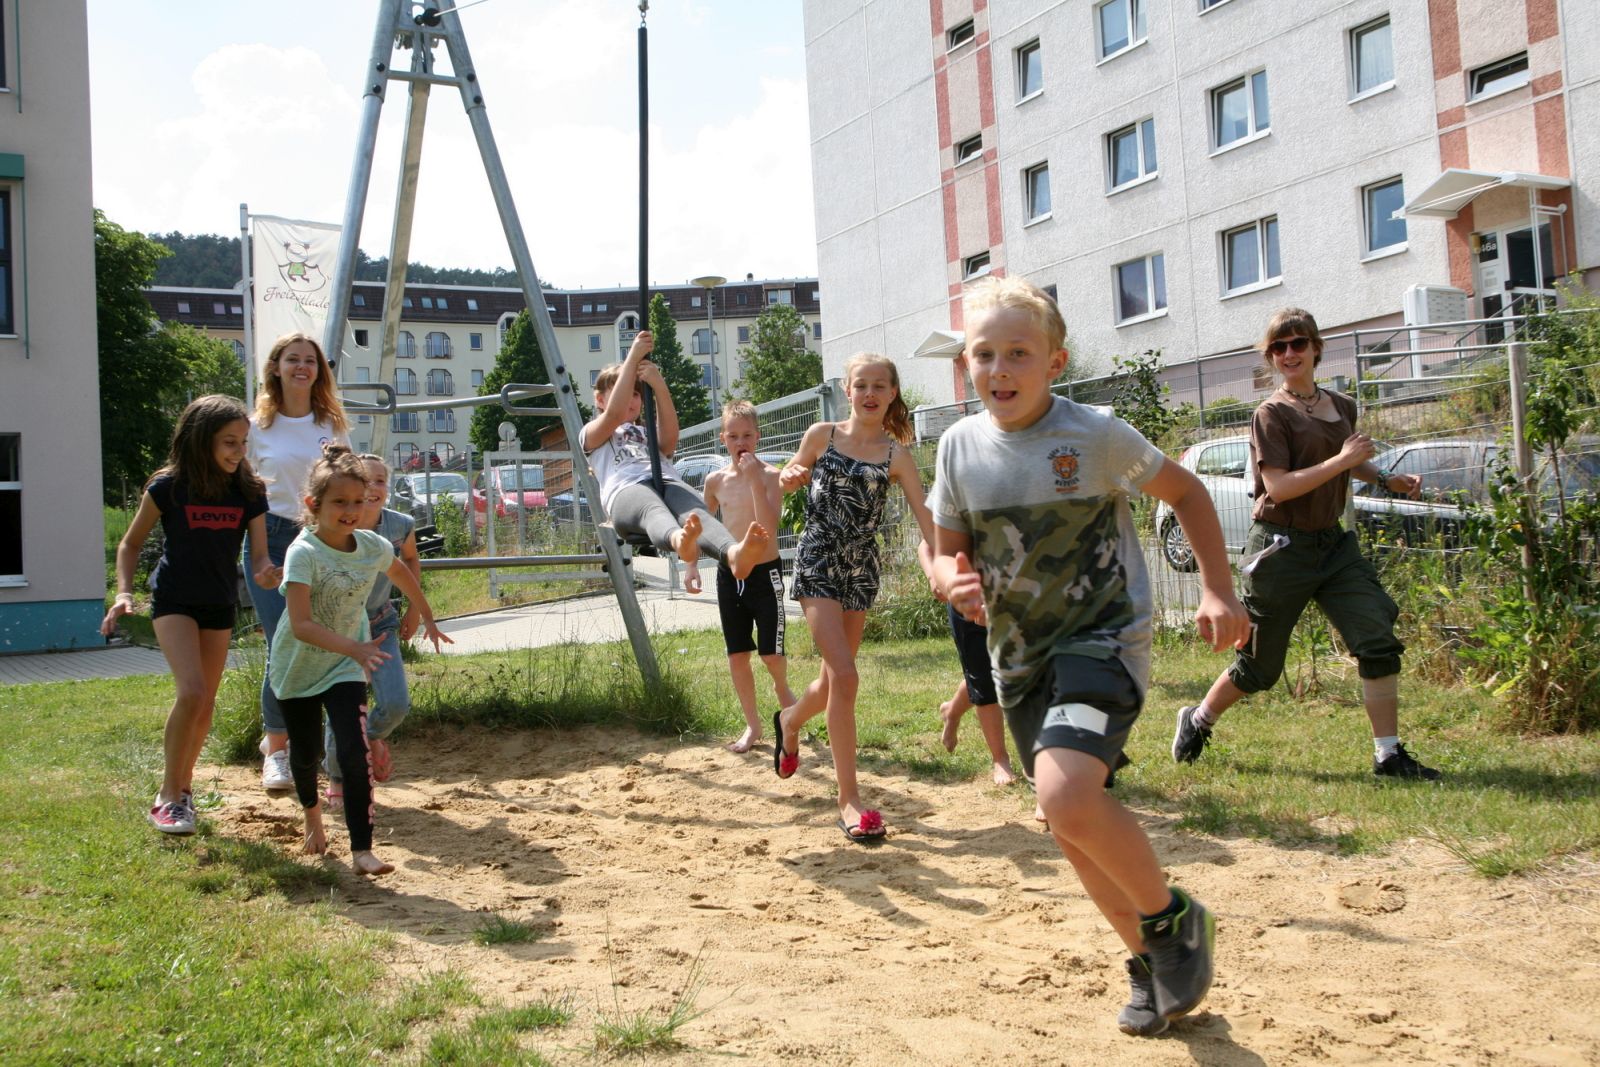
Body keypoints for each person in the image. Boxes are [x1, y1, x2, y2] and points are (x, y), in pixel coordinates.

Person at [929, 275, 1251, 1035]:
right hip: (1018, 659)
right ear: (965, 366)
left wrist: (1217, 589)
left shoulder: (1096, 435)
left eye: (1018, 353)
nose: (999, 370)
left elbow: (1190, 493)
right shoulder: (957, 448)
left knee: (1065, 796)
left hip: (1103, 638)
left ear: (1055, 361)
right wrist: (946, 576)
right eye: (984, 355)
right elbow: (942, 548)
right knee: (1068, 822)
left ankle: (1176, 922)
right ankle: (1152, 963)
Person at [1171, 308, 1440, 780]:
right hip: (1280, 549)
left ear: (1317, 347)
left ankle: (1388, 755)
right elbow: (1279, 487)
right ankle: (1197, 719)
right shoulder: (1271, 413)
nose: (1289, 353)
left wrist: (1384, 477)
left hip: (1333, 546)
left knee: (1376, 637)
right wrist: (1343, 461)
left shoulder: (1341, 404)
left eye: (1298, 343)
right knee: (1259, 668)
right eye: (1279, 347)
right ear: (1271, 356)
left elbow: (1345, 461)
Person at [772, 353, 939, 843]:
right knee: (845, 675)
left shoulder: (897, 455)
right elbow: (792, 470)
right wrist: (789, 475)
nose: (870, 393)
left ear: (892, 394)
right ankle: (849, 800)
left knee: (831, 683)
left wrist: (946, 565)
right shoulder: (823, 435)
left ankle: (789, 721)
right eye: (861, 385)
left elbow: (925, 519)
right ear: (847, 390)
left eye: (879, 386)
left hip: (861, 568)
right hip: (819, 556)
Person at [269, 445, 451, 876]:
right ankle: (313, 817)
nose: (352, 511)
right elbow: (300, 625)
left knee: (353, 752)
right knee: (308, 752)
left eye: (358, 501)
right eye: (339, 503)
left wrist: (424, 614)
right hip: (299, 666)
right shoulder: (303, 553)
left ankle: (362, 851)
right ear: (314, 505)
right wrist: (356, 647)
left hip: (346, 667)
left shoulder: (370, 544)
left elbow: (401, 572)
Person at [102, 396, 279, 835]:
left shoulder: (250, 491)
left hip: (218, 602)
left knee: (206, 705)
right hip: (174, 599)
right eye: (229, 442)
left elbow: (257, 556)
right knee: (192, 692)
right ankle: (167, 796)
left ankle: (184, 790)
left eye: (243, 442)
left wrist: (267, 572)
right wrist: (124, 593)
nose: (238, 451)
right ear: (201, 441)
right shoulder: (168, 487)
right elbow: (130, 544)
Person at [581, 329, 770, 595]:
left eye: (637, 394)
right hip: (627, 491)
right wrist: (633, 358)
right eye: (624, 392)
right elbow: (614, 414)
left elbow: (669, 439)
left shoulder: (647, 432)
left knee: (696, 511)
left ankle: (733, 554)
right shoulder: (593, 433)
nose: (632, 400)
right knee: (652, 509)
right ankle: (678, 539)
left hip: (666, 480)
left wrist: (658, 386)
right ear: (600, 400)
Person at [245, 332, 350, 793]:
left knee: (324, 642)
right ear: (276, 368)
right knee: (281, 644)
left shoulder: (331, 425)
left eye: (310, 361)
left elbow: (347, 483)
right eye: (293, 359)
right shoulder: (255, 427)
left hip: (319, 538)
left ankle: (327, 749)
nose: (302, 367)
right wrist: (261, 553)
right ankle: (277, 748)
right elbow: (246, 496)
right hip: (270, 535)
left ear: (319, 372)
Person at [320, 454, 422, 810]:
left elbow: (410, 559)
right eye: (367, 482)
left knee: (395, 704)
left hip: (381, 623)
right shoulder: (337, 526)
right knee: (343, 706)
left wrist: (413, 610)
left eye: (382, 481)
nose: (375, 488)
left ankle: (370, 737)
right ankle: (337, 776)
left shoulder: (399, 525)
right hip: (343, 629)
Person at [703, 400, 796, 753]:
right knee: (737, 654)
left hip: (764, 574)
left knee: (771, 656)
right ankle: (753, 726)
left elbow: (769, 528)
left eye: (747, 436)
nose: (741, 442)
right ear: (723, 438)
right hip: (730, 573)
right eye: (733, 436)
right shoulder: (715, 481)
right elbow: (705, 528)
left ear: (757, 437)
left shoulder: (772, 476)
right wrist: (694, 564)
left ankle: (786, 700)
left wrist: (755, 479)